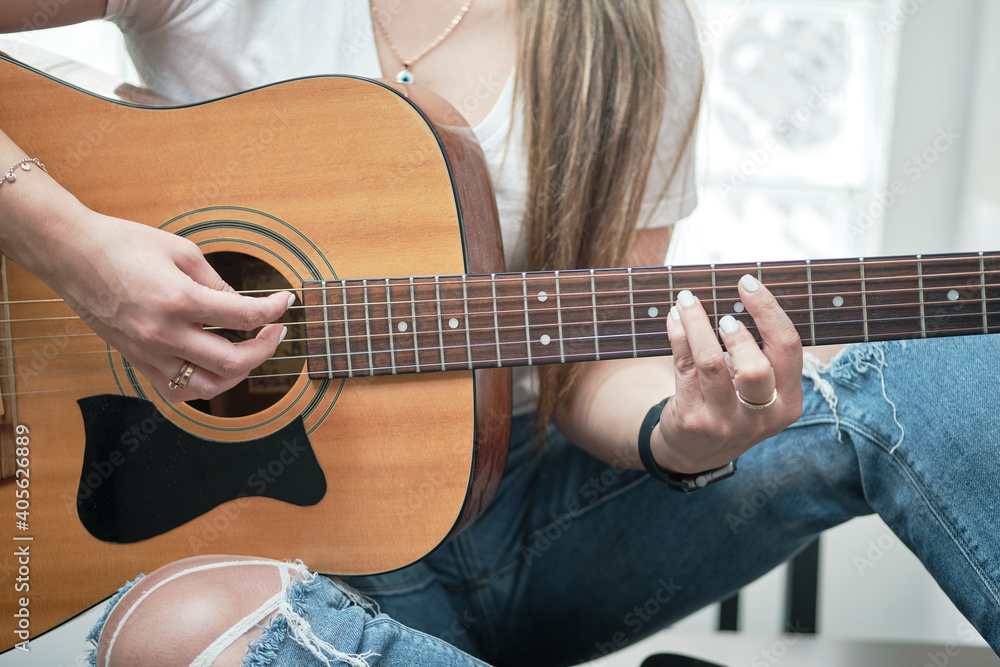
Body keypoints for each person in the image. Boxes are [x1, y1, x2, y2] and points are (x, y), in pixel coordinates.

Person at [0, 1, 997, 666]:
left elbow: (588, 365)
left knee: (951, 358)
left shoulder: (632, 31)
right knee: (180, 636)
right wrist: (72, 246)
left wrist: (681, 431)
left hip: (541, 519)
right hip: (284, 546)